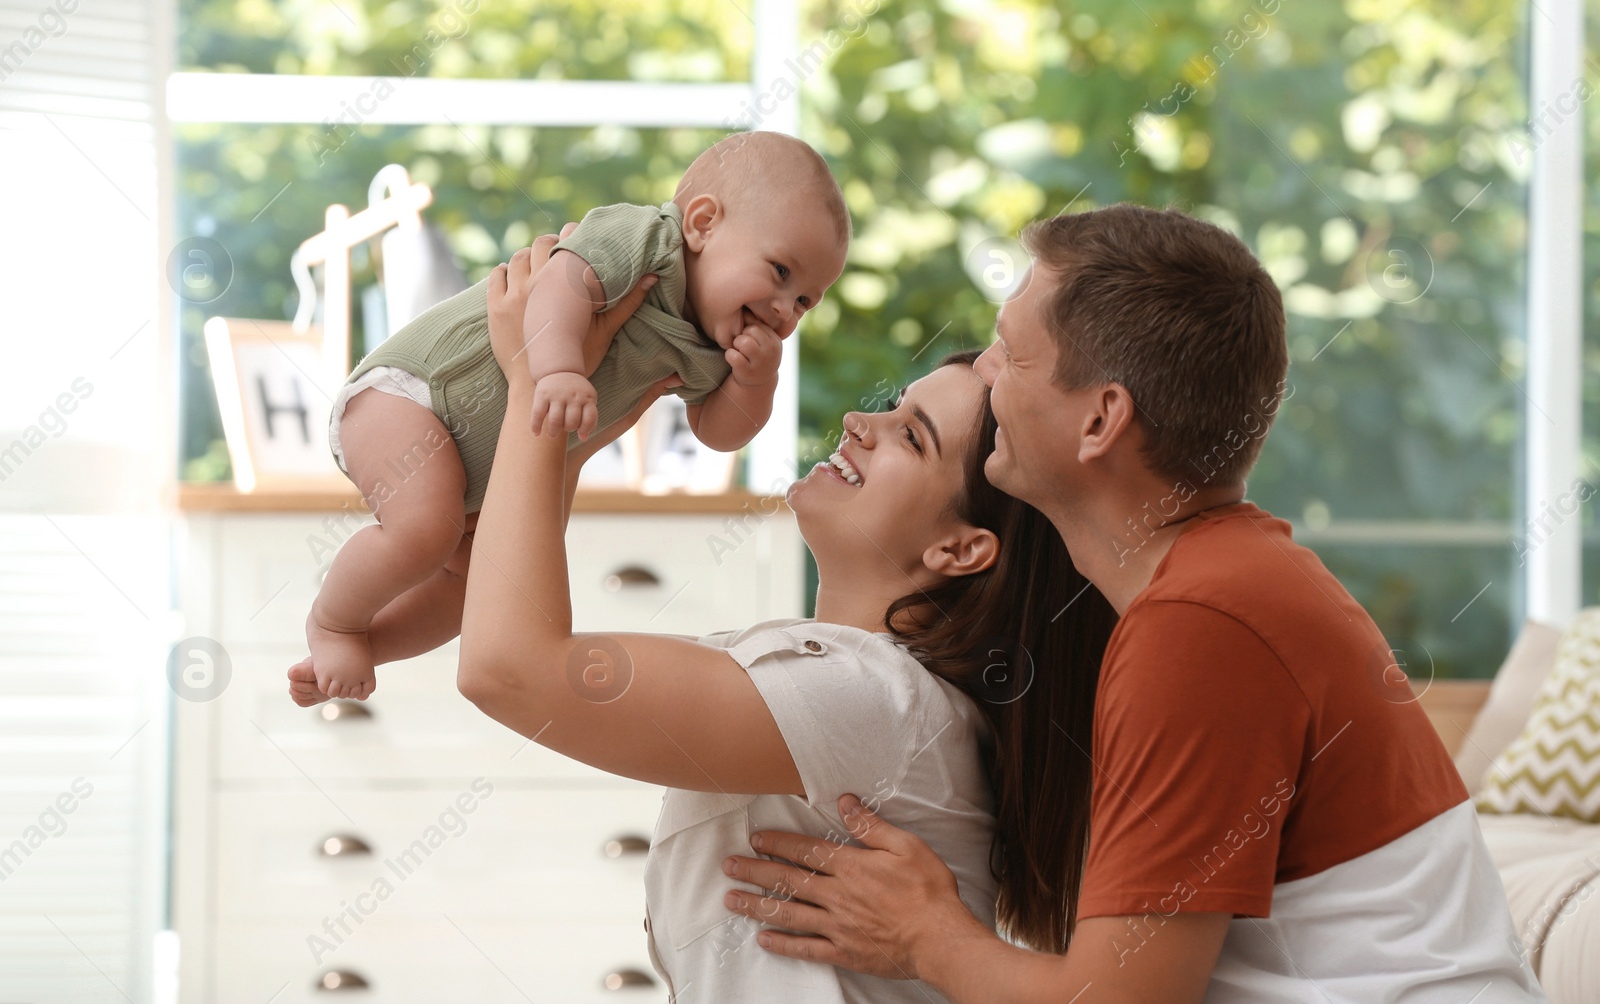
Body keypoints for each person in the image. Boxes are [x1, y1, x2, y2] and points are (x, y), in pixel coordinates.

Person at [720, 204, 1547, 1003]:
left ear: (1101, 420)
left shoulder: (1203, 623)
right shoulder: (1225, 584)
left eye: (1013, 354)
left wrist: (926, 934)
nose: (983, 371)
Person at [426, 230, 1119, 1002]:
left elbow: (510, 667)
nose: (862, 419)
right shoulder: (857, 687)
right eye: (895, 407)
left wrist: (534, 384)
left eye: (911, 437)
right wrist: (576, 414)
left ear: (961, 550)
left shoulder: (876, 703)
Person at [302, 130, 849, 700]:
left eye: (806, 300)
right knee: (424, 530)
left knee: (471, 585)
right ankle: (335, 620)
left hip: (482, 475)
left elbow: (716, 433)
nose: (786, 311)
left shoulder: (713, 348)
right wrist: (560, 369)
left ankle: (369, 644)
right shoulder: (644, 239)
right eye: (781, 273)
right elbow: (558, 285)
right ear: (703, 224)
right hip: (415, 396)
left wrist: (757, 382)